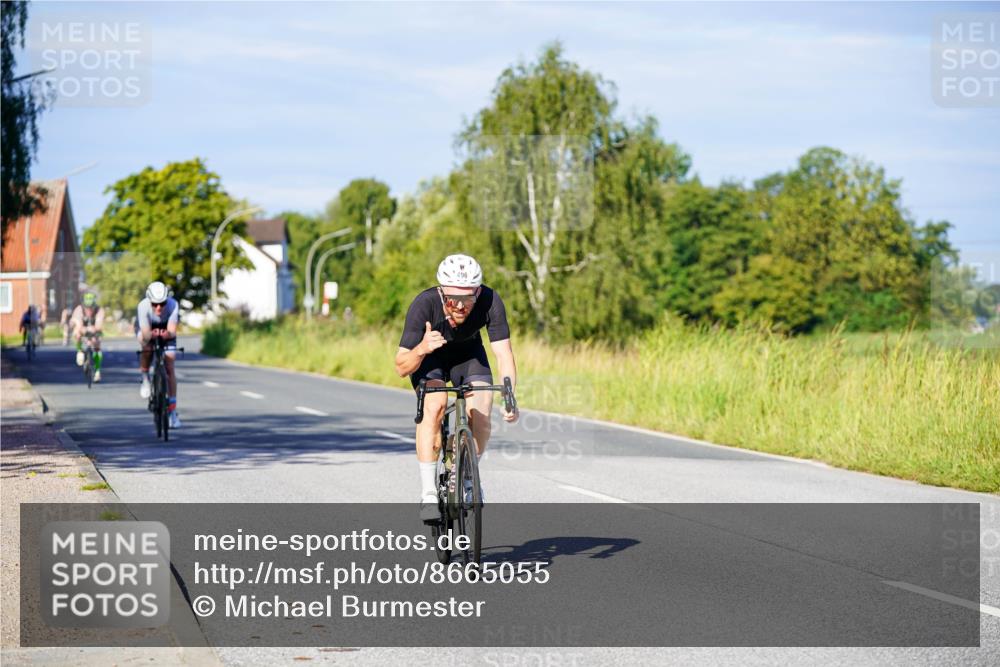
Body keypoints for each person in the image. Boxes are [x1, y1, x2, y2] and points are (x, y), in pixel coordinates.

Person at [394, 254, 519, 521]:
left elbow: (504, 355)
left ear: (478, 292)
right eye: (453, 299)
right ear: (442, 292)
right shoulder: (424, 304)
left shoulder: (490, 301)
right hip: (431, 357)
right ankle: (429, 492)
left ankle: (468, 478)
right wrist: (422, 348)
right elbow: (401, 366)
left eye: (468, 299)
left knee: (482, 413)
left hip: (469, 356)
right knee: (435, 405)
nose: (460, 306)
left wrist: (509, 396)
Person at [136, 281, 181, 428]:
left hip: (166, 329)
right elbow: (145, 334)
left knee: (169, 365)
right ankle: (145, 379)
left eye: (162, 303)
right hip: (148, 329)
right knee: (146, 348)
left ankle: (172, 412)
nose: (159, 308)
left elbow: (172, 332)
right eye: (155, 304)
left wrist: (164, 334)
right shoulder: (143, 306)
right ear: (149, 301)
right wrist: (152, 335)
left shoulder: (173, 305)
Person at [71, 292, 106, 382]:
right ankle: (79, 351)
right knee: (77, 333)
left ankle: (97, 371)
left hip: (94, 329)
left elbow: (99, 326)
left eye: (91, 307)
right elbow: (79, 326)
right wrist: (84, 329)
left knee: (97, 344)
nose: (89, 310)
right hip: (82, 329)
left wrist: (94, 330)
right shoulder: (79, 310)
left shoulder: (99, 310)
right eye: (87, 307)